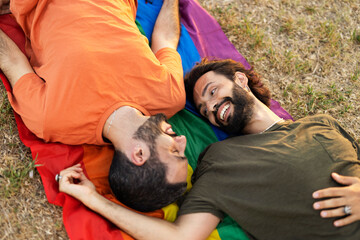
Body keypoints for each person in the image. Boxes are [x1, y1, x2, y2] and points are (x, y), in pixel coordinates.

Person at [58, 58, 360, 239]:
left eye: (213, 91)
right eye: (205, 110)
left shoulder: (323, 124)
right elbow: (182, 236)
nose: (212, 106)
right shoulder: (223, 160)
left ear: (240, 79)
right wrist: (94, 200)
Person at [0, 0, 188, 211]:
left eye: (175, 152)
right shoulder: (171, 96)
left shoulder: (52, 119)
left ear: (139, 154)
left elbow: (12, 62)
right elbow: (166, 39)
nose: (182, 140)